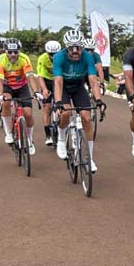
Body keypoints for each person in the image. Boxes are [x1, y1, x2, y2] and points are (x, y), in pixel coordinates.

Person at [52, 29, 101, 172]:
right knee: (65, 113)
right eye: (71, 48)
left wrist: (98, 99)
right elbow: (58, 82)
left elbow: (92, 80)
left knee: (86, 117)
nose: (75, 51)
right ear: (66, 48)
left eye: (78, 48)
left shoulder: (87, 57)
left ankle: (90, 158)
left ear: (83, 47)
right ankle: (61, 139)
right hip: (64, 87)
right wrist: (59, 102)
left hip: (79, 86)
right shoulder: (59, 57)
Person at [0, 39, 43, 155]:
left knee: (28, 113)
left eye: (16, 52)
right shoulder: (0, 61)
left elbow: (30, 77)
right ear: (5, 51)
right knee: (6, 103)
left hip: (22, 87)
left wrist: (35, 92)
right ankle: (8, 132)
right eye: (10, 52)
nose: (13, 55)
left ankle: (30, 140)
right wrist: (0, 95)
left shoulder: (24, 59)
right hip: (7, 87)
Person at [36, 40, 62, 146]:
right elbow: (40, 76)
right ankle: (48, 135)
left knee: (62, 105)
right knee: (46, 107)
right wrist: (44, 89)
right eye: (51, 54)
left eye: (56, 54)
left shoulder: (63, 57)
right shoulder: (42, 58)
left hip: (59, 80)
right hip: (47, 81)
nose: (53, 56)